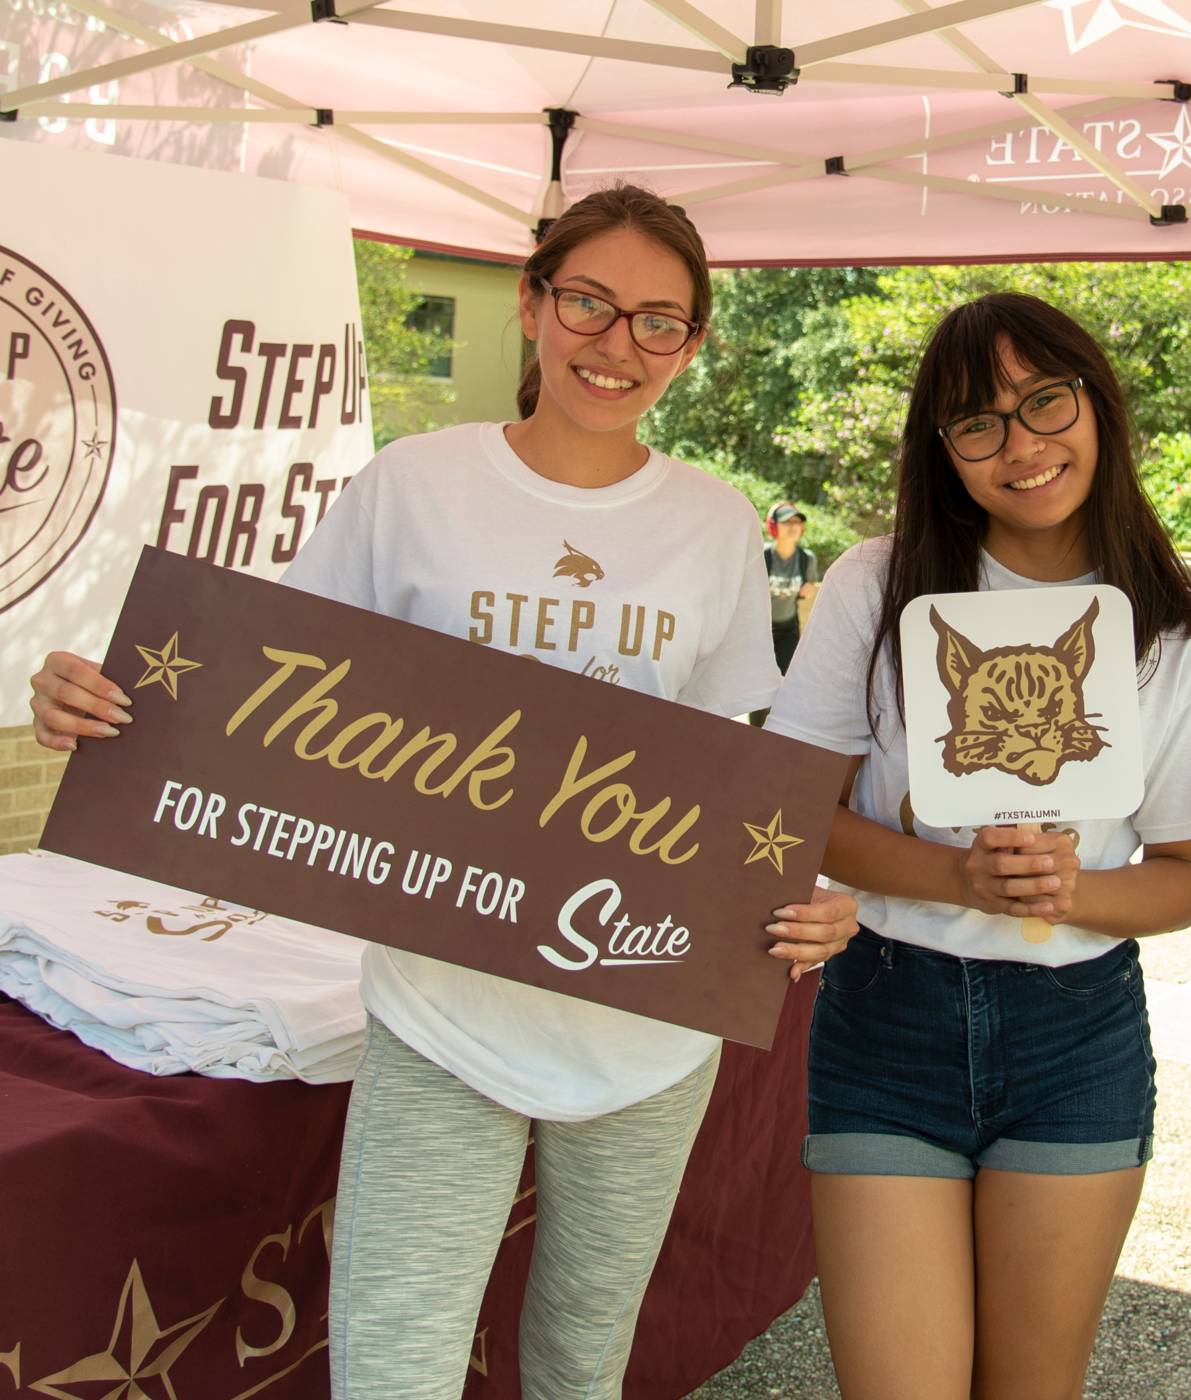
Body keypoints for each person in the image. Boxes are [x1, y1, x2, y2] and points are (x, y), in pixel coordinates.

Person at [26, 184, 859, 1400]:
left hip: (645, 1022)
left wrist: (811, 889)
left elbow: (728, 767)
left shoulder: (715, 522)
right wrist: (103, 708)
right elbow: (259, 694)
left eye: (659, 322)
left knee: (581, 1362)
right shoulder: (410, 486)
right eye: (589, 301)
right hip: (440, 1011)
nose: (617, 343)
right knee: (393, 1367)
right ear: (531, 304)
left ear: (691, 345)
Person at [762, 292, 1191, 1400]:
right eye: (977, 422)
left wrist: (1070, 886)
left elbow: (1179, 881)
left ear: (1098, 401)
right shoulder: (875, 585)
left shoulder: (1185, 632)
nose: (1022, 445)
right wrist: (955, 874)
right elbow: (790, 805)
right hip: (884, 1020)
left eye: (1045, 400)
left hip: (1072, 1036)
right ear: (942, 450)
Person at [764, 501, 822, 673]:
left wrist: (809, 590)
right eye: (786, 522)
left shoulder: (807, 558)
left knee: (785, 676)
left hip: (789, 628)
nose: (793, 526)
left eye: (797, 522)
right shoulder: (762, 555)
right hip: (760, 628)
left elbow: (809, 585)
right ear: (773, 527)